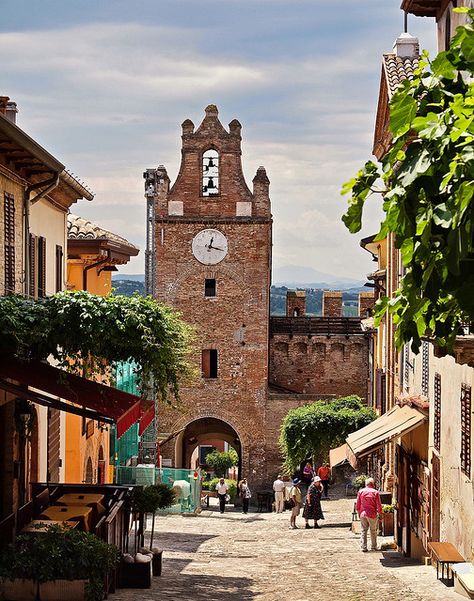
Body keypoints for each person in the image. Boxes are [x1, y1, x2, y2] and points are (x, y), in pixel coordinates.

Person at [356, 477, 383, 552]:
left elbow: (358, 504)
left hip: (363, 513)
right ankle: (373, 546)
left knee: (364, 530)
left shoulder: (361, 492)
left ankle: (363, 547)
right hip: (372, 514)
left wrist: (359, 513)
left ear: (366, 484)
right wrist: (380, 514)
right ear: (373, 484)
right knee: (373, 530)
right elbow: (379, 505)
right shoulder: (375, 492)